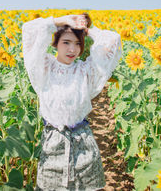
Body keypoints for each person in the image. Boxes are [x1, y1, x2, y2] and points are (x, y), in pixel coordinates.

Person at [22, 13, 122, 190]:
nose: (72, 50)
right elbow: (29, 30)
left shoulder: (85, 71)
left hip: (83, 145)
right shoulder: (44, 68)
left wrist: (87, 31)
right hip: (52, 144)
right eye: (66, 42)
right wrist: (60, 21)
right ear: (55, 43)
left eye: (78, 44)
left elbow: (113, 40)